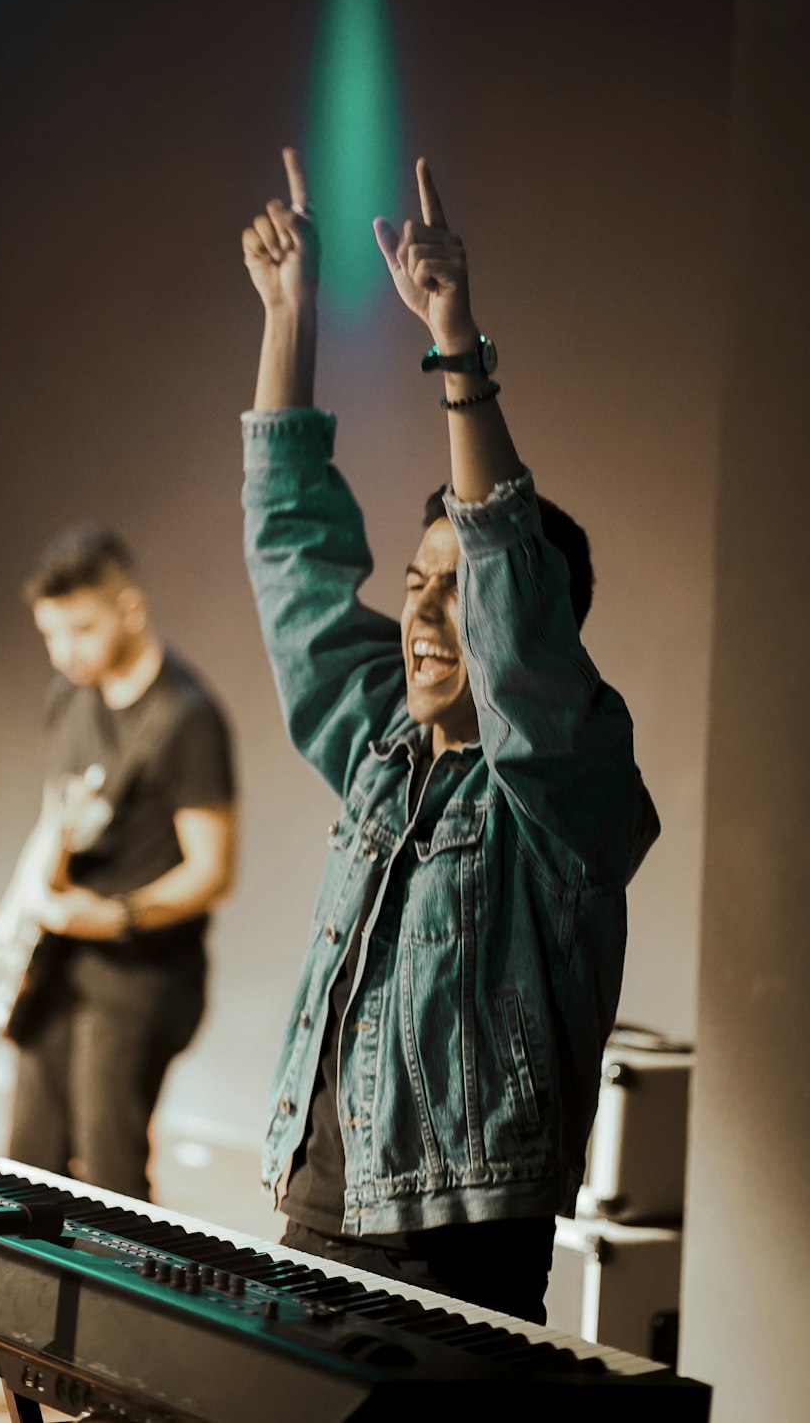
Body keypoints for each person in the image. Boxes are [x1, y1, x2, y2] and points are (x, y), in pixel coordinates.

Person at [239, 149, 659, 1322]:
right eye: (415, 584)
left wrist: (454, 343)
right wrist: (291, 319)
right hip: (319, 1202)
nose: (421, 613)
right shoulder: (385, 751)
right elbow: (297, 571)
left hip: (454, 1247)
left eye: (452, 589)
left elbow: (508, 596)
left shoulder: (567, 794)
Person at [0, 524, 236, 1200]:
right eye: (51, 635)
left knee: (108, 1174)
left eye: (82, 631)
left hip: (144, 973)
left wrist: (113, 916)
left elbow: (213, 872)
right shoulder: (67, 696)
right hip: (64, 961)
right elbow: (53, 819)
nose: (64, 653)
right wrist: (14, 914)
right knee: (25, 1168)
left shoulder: (186, 718)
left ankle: (126, 1307)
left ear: (131, 610)